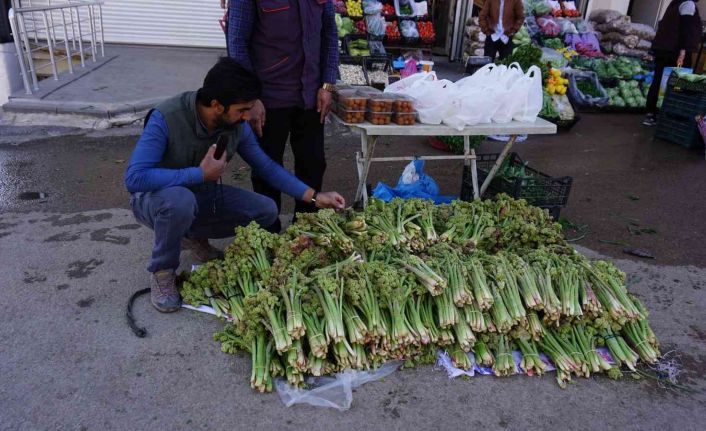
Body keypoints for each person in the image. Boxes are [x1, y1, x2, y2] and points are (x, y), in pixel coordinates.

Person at [124, 57, 345, 313]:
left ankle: (192, 236)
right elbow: (135, 179)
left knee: (266, 209)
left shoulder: (235, 125)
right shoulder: (167, 117)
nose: (247, 116)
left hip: (200, 197)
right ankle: (162, 271)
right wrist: (197, 174)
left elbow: (267, 166)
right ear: (217, 105)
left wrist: (316, 197)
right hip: (155, 201)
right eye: (242, 109)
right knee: (179, 201)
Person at [224, 0, 338, 232]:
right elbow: (236, 42)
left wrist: (327, 85)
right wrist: (251, 98)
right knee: (266, 166)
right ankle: (270, 230)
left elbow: (329, 33)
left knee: (313, 164)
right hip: (268, 99)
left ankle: (305, 229)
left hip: (310, 96)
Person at [644, 0, 703, 126]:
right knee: (678, 83)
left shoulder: (675, 3)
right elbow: (686, 29)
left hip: (663, 48)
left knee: (659, 80)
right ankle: (669, 114)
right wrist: (683, 51)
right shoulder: (688, 4)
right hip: (675, 51)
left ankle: (651, 114)